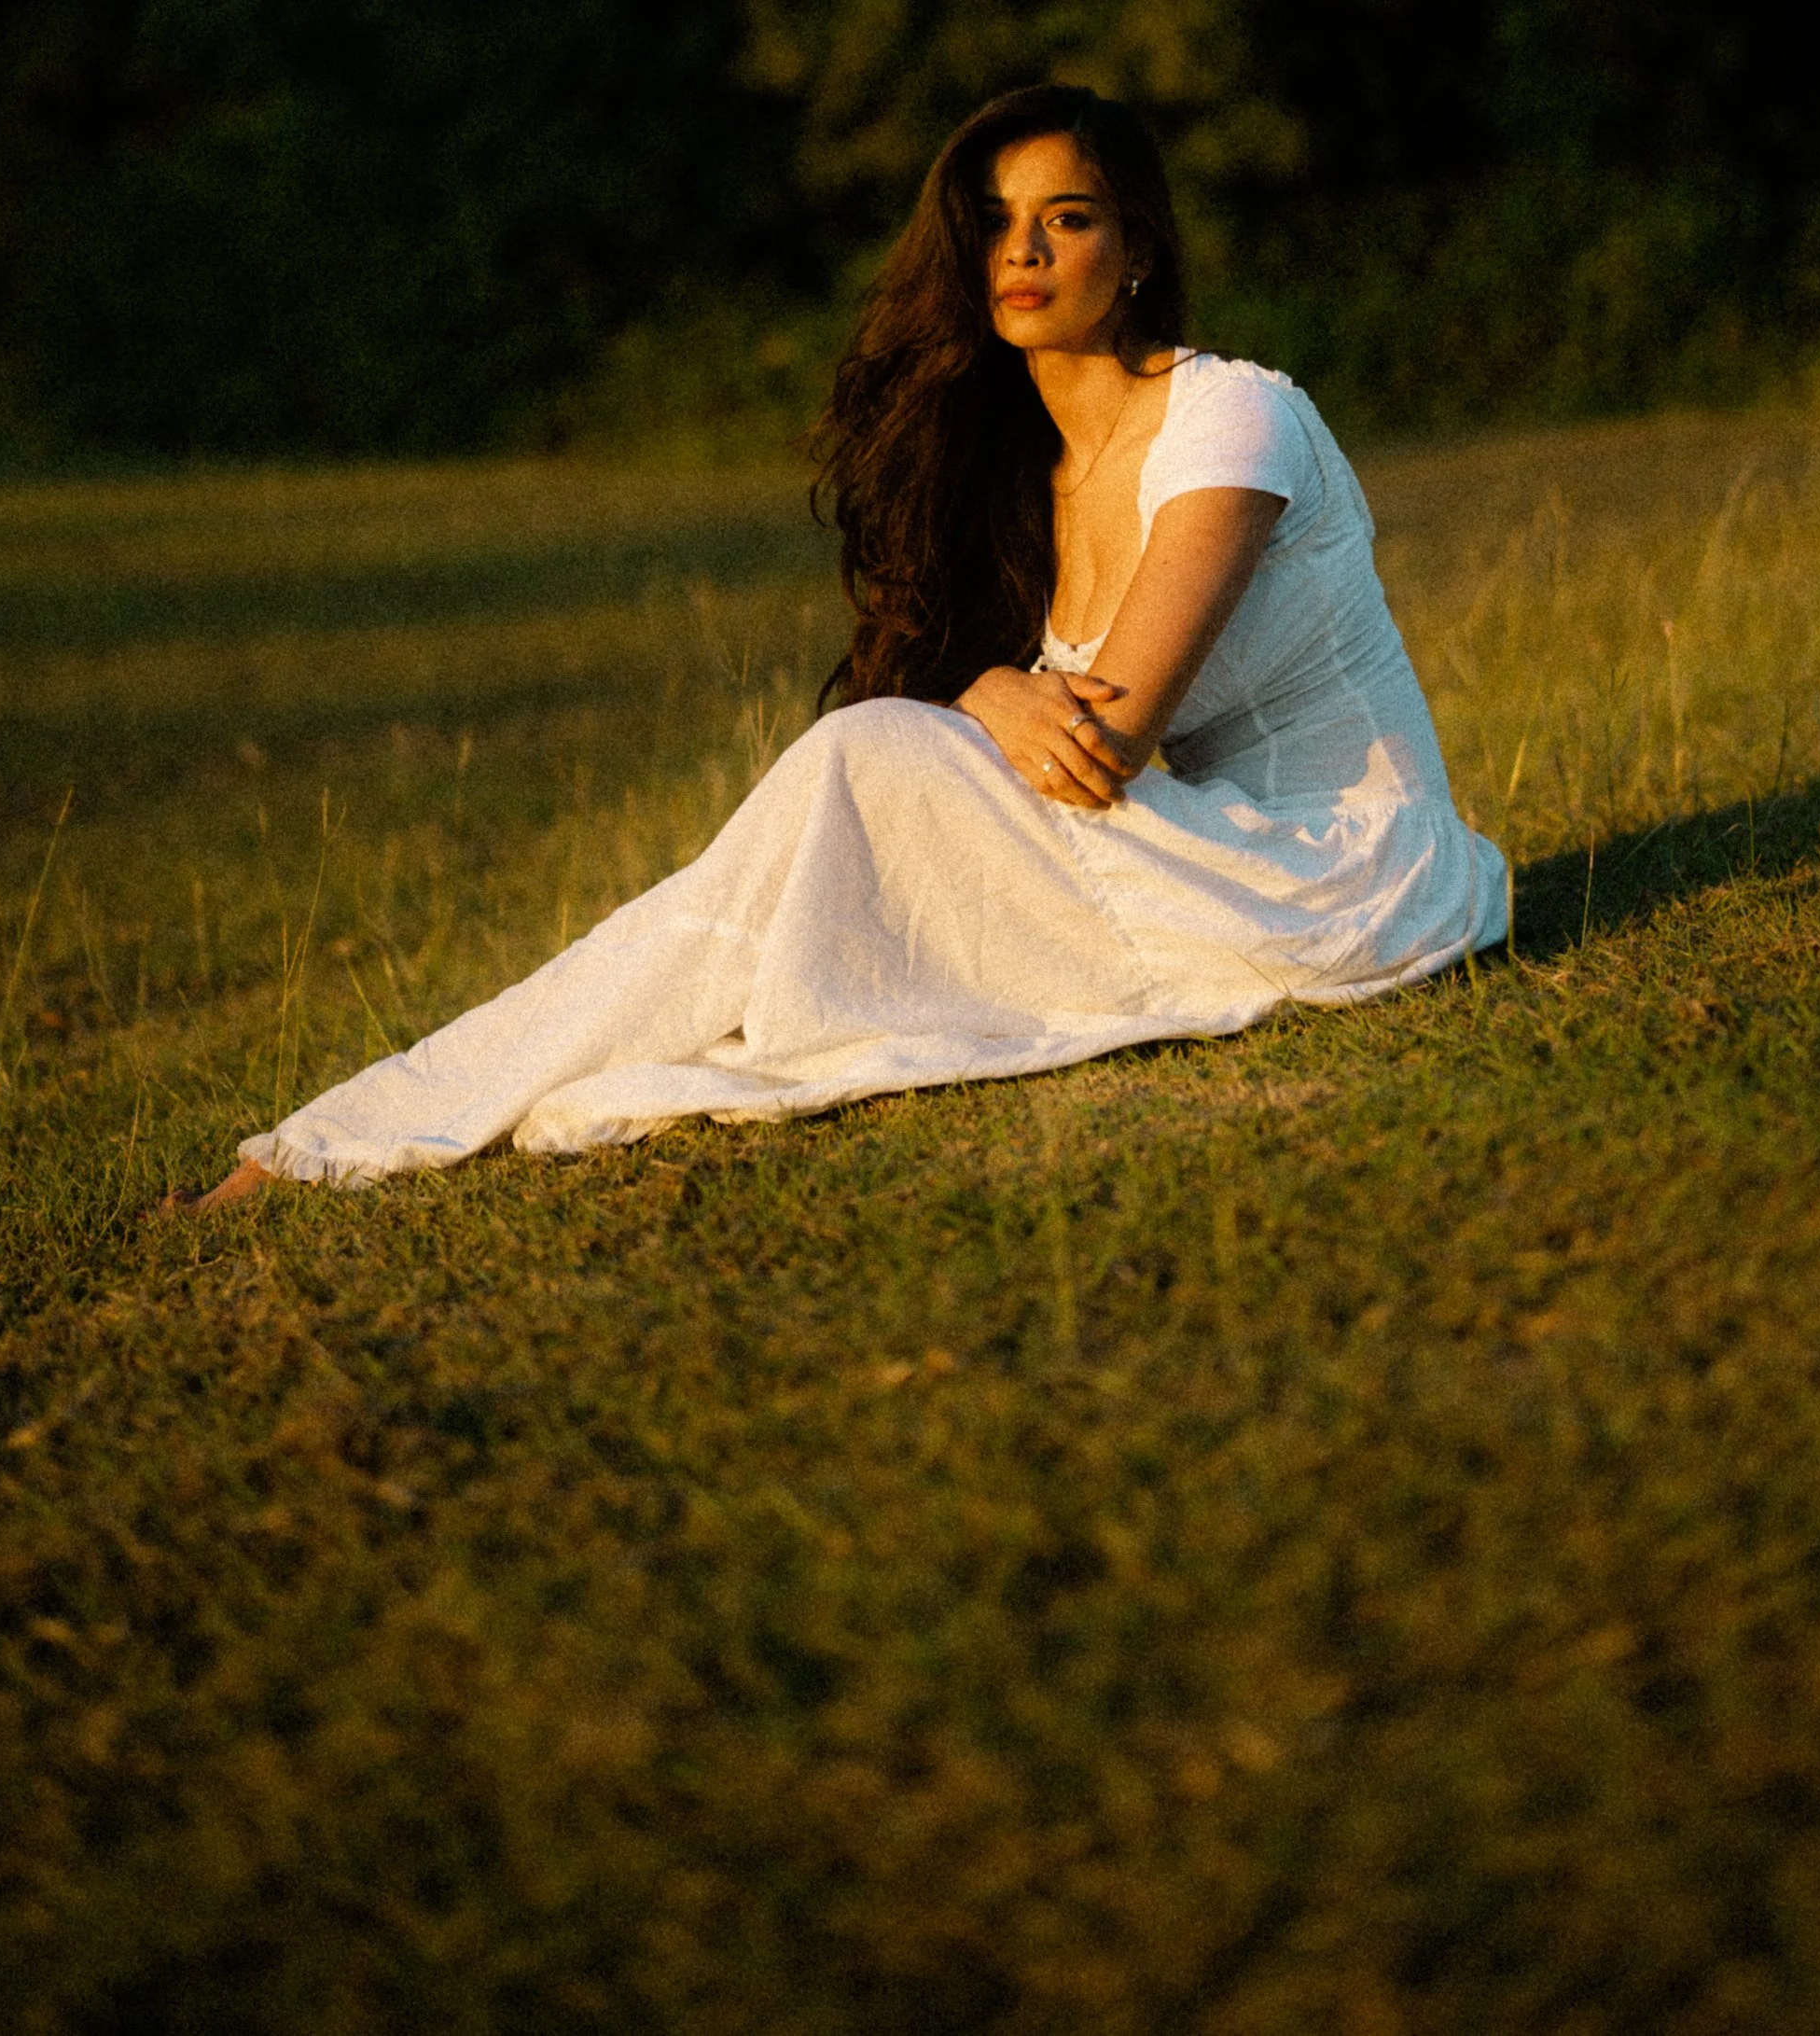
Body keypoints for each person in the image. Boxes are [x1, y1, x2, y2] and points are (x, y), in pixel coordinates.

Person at [174, 85, 1507, 1207]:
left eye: (1067, 217)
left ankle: (343, 1140)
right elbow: (1028, 726)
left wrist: (984, 697)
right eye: (993, 225)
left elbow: (1104, 738)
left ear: (1139, 247)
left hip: (1341, 876)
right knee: (815, 828)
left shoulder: (1233, 419)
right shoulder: (1026, 482)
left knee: (849, 768)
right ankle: (351, 1129)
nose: (1024, 251)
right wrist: (986, 684)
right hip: (1203, 858)